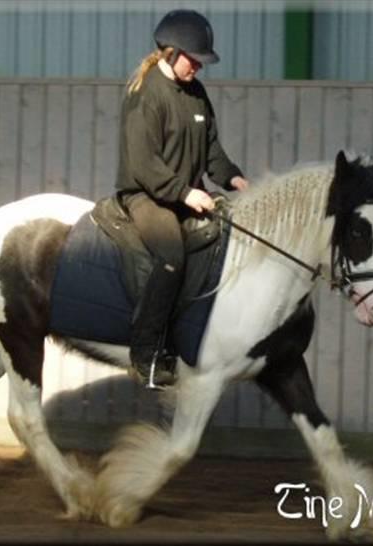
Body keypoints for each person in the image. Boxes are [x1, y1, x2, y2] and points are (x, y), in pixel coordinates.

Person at [116, 9, 250, 388]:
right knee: (171, 256)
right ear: (171, 52)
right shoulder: (145, 95)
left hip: (185, 197)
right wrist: (185, 192)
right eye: (194, 59)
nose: (199, 68)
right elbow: (144, 163)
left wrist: (234, 177)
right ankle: (145, 354)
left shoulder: (196, 94)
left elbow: (211, 150)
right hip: (147, 197)